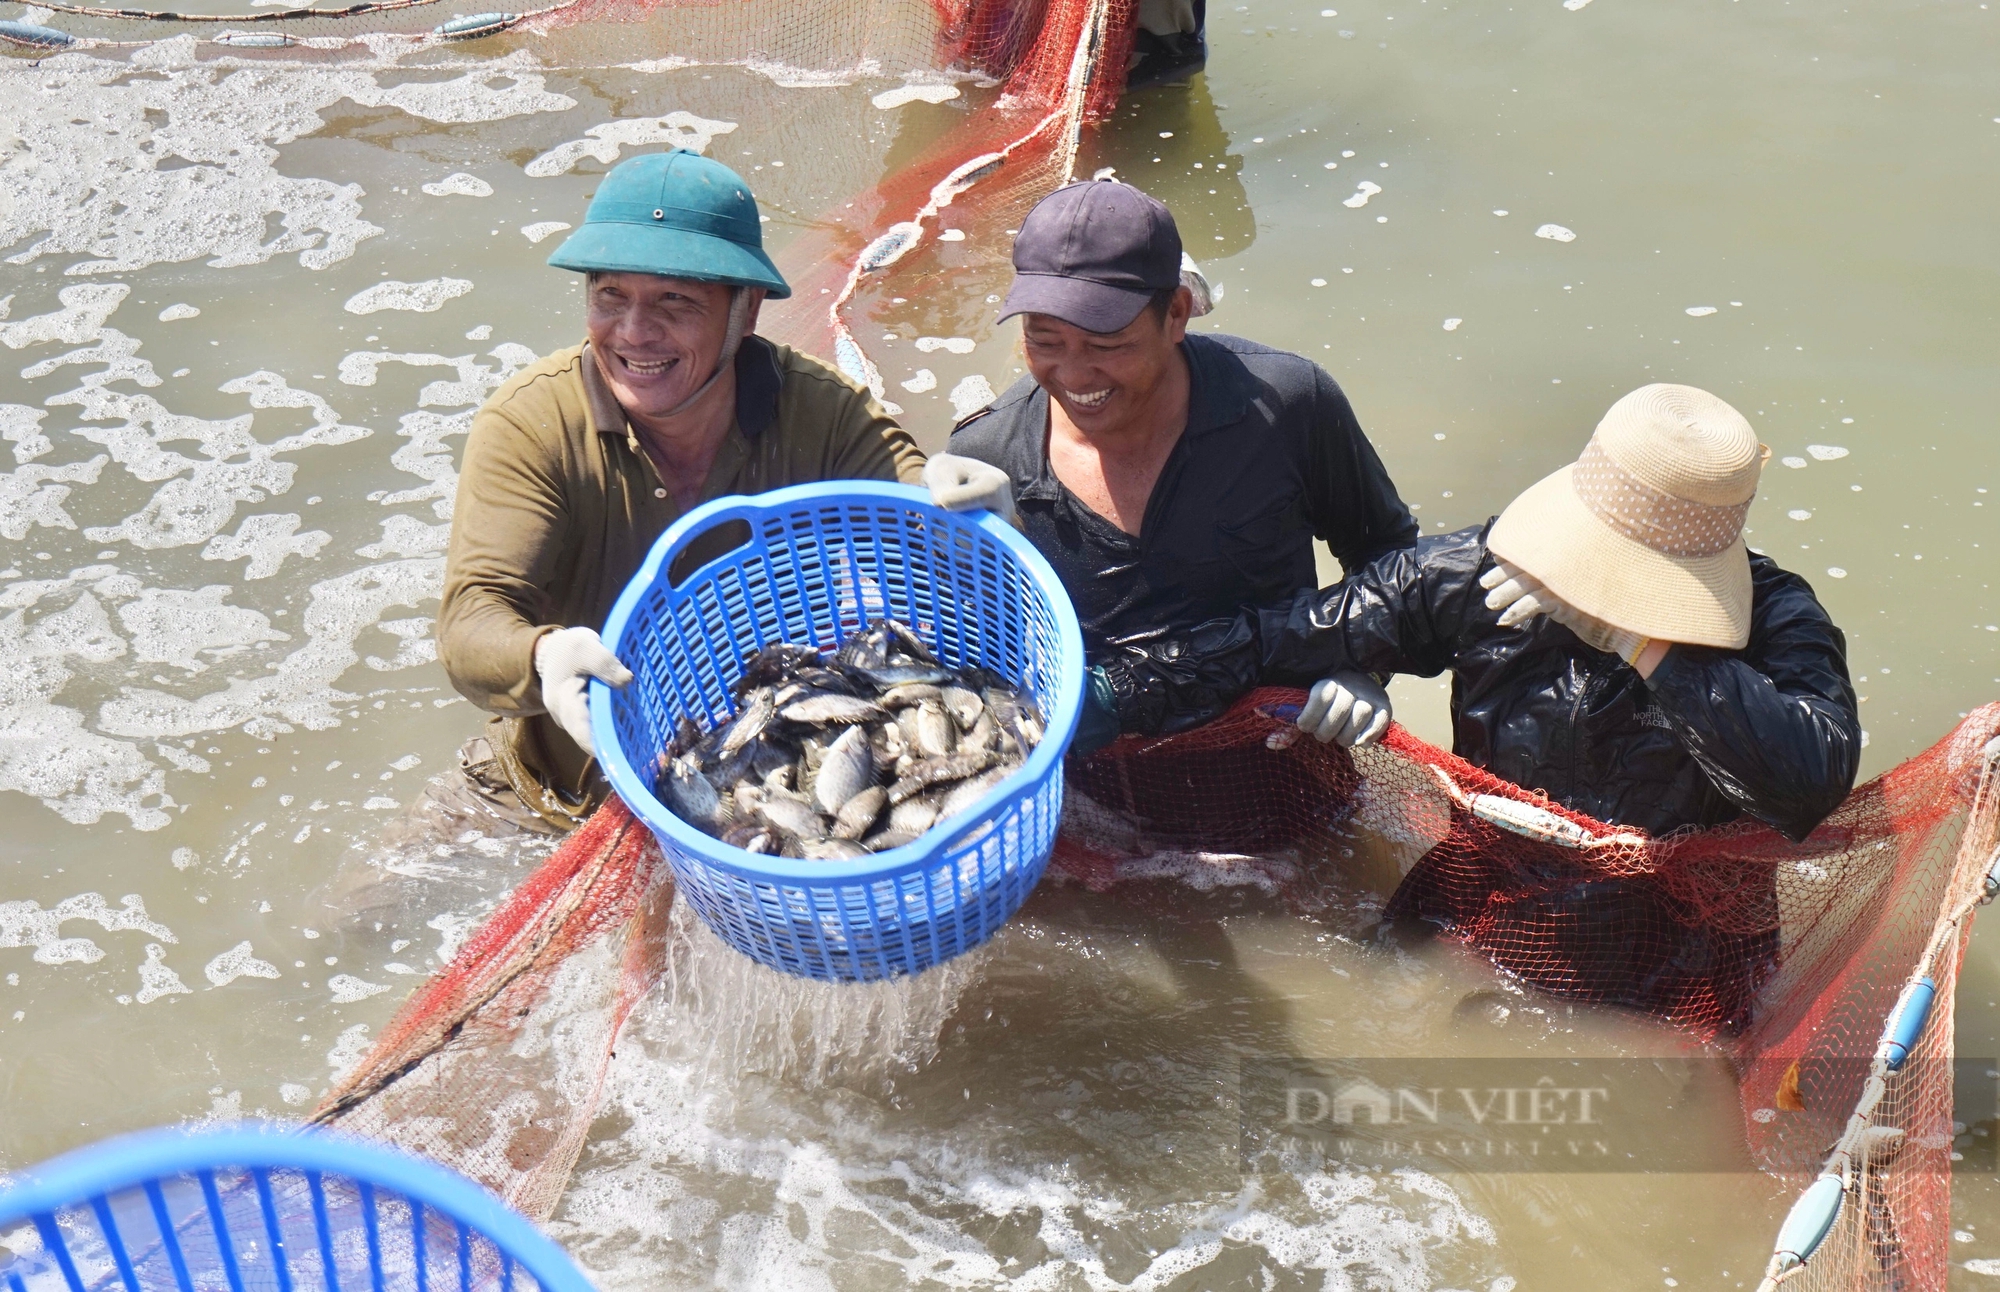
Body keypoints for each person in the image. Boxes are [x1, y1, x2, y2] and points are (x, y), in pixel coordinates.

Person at [436, 150, 925, 833]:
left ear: (746, 311)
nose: (635, 333)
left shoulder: (818, 410)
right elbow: (470, 621)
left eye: (675, 301)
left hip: (761, 784)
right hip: (552, 792)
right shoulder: (531, 423)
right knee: (351, 920)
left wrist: (970, 500)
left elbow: (925, 517)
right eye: (611, 296)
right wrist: (545, 656)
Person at [923, 179, 1418, 753]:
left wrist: (1366, 665)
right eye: (1045, 340)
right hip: (1096, 785)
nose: (1076, 376)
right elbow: (975, 659)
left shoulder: (1287, 403)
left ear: (1177, 312)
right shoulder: (987, 459)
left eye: (1107, 344)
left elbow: (1389, 555)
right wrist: (950, 549)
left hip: (1286, 757)